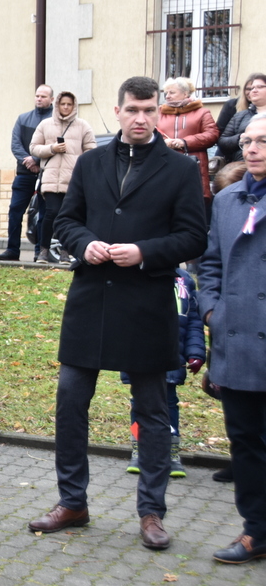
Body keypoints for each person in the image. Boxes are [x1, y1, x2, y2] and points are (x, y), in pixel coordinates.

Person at [28, 76, 207, 552]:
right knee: (70, 402)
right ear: (118, 110)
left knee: (151, 411)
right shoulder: (90, 162)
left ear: (159, 113)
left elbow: (194, 238)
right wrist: (86, 245)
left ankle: (151, 512)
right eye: (133, 110)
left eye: (150, 110)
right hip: (92, 297)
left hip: (147, 303)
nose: (142, 118)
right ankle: (73, 502)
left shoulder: (180, 170)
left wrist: (144, 251)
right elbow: (65, 220)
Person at [198, 113, 266, 564]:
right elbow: (211, 264)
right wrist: (211, 311)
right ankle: (256, 532)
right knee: (245, 442)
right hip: (236, 340)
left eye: (262, 140)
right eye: (247, 140)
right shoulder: (228, 201)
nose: (252, 148)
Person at [121, 268, 204, 477]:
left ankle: (170, 452)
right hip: (140, 353)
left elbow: (193, 319)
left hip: (173, 356)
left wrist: (195, 352)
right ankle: (140, 449)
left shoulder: (185, 280)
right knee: (139, 403)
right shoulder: (137, 273)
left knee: (169, 404)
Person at [29, 91, 96, 264]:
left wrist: (79, 163)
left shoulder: (83, 125)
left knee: (70, 216)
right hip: (50, 177)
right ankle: (43, 251)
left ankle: (66, 252)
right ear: (57, 104)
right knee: (51, 213)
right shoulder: (45, 124)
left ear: (74, 106)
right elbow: (34, 147)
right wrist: (52, 148)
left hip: (73, 179)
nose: (66, 107)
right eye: (63, 104)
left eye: (69, 104)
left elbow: (91, 150)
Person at [0, 85, 53, 261]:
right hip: (24, 174)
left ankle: (39, 252)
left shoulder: (55, 122)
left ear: (51, 99)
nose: (39, 99)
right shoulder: (23, 119)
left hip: (47, 174)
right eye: (37, 95)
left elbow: (56, 146)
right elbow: (15, 145)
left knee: (43, 214)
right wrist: (29, 162)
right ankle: (12, 250)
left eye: (43, 96)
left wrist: (37, 160)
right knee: (15, 210)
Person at [157, 76, 219, 205]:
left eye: (172, 92)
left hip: (193, 167)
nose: (167, 96)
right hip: (164, 166)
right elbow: (149, 135)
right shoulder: (159, 114)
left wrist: (184, 142)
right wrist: (163, 143)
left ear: (185, 93)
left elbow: (212, 134)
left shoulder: (202, 113)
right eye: (166, 93)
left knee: (192, 206)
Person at [218, 73, 266, 164]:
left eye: (259, 87)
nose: (254, 90)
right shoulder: (240, 116)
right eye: (252, 88)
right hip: (242, 165)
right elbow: (222, 142)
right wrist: (240, 137)